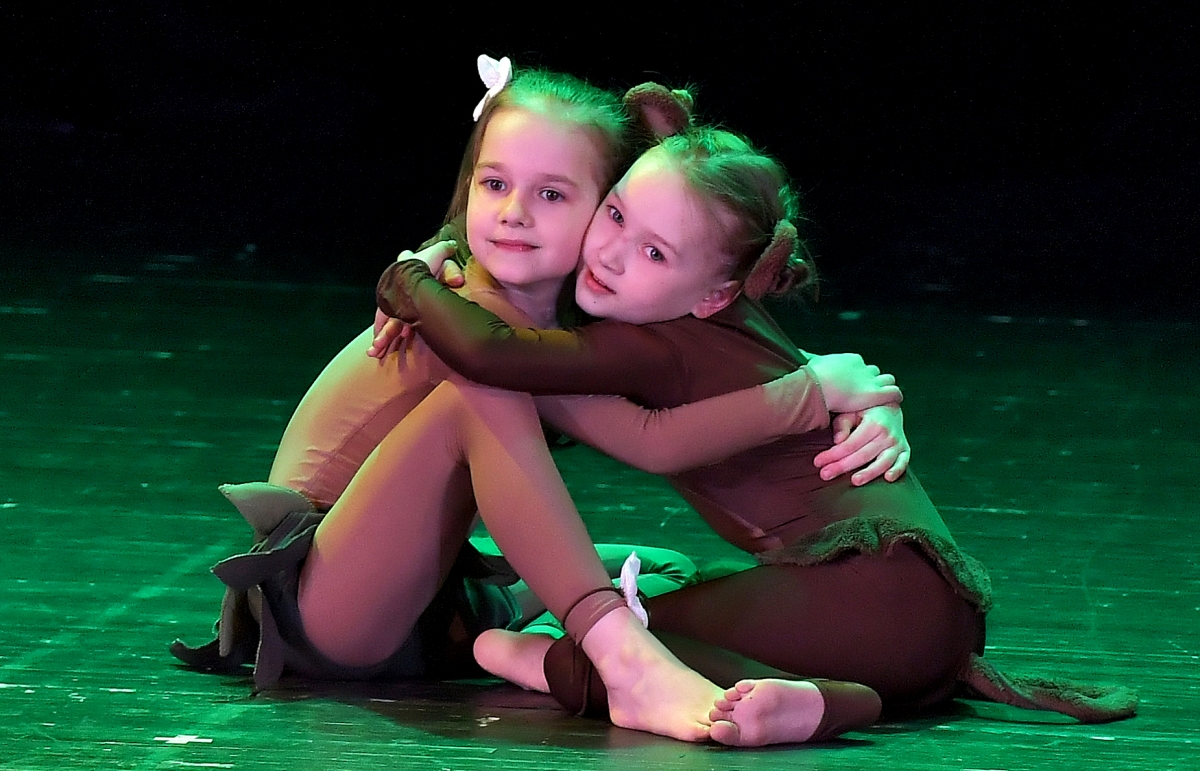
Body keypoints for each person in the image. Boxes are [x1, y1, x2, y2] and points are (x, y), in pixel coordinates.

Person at [372, 92, 1138, 744]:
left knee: (616, 638)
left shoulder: (653, 344)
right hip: (942, 620)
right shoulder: (734, 318)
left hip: (868, 605)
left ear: (714, 291)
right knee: (674, 595)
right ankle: (847, 687)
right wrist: (878, 397)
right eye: (614, 213)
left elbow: (493, 353)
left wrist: (409, 278)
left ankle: (828, 701)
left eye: (654, 253)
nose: (610, 253)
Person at [172, 57, 907, 729]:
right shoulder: (470, 319)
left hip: (432, 602)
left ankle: (548, 644)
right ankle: (624, 664)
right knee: (478, 396)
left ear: (610, 206)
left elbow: (720, 343)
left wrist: (866, 394)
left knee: (662, 571)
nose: (514, 213)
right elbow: (653, 441)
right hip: (326, 608)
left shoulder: (570, 311)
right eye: (494, 185)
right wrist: (811, 394)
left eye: (552, 194)